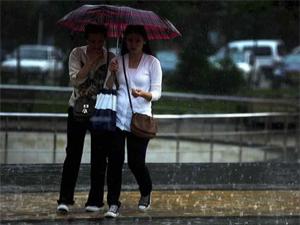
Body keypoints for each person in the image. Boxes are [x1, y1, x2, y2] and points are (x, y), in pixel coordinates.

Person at [104, 25, 162, 218]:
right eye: (129, 40)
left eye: (137, 40)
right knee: (114, 161)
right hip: (118, 118)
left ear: (144, 41)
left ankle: (146, 191)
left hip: (140, 119)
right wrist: (111, 72)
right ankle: (113, 203)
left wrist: (143, 94)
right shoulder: (118, 61)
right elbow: (108, 87)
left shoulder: (152, 62)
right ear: (125, 41)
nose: (133, 44)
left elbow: (157, 93)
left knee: (136, 163)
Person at [57, 24, 115, 213]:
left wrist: (113, 71)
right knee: (73, 153)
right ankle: (65, 198)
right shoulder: (77, 54)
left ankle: (95, 200)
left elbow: (108, 86)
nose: (96, 45)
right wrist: (91, 62)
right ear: (86, 39)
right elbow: (75, 79)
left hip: (99, 110)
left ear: (105, 40)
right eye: (92, 41)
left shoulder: (110, 57)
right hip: (77, 108)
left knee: (99, 155)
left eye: (100, 42)